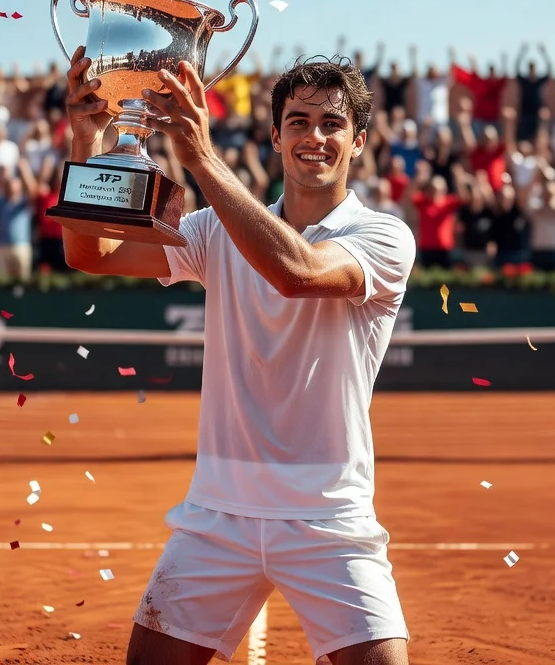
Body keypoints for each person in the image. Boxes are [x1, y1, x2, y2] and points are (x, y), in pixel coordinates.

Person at [61, 47, 414, 665]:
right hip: (216, 514)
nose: (315, 137)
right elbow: (93, 254)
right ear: (276, 135)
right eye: (300, 121)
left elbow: (297, 272)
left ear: (358, 142)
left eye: (333, 124)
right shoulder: (210, 230)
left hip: (329, 517)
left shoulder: (384, 236)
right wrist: (84, 142)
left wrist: (199, 157)